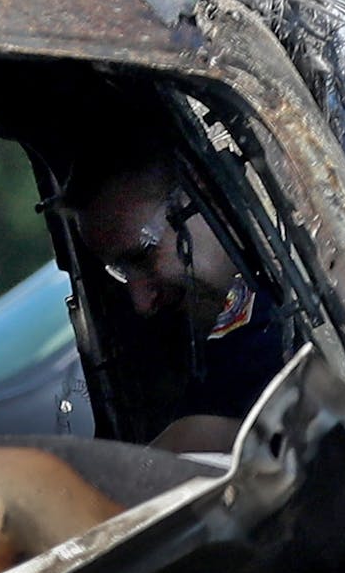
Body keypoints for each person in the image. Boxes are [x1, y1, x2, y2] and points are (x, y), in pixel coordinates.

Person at [59, 130, 285, 450]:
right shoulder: (221, 349)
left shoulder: (299, 301)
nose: (141, 303)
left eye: (143, 255)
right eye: (121, 273)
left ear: (202, 194)